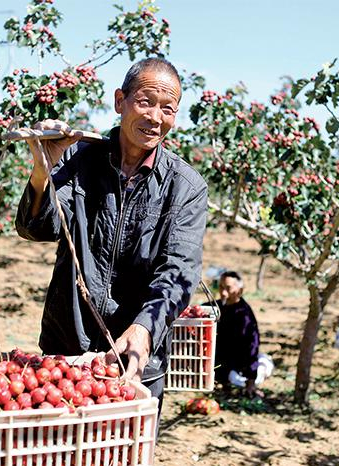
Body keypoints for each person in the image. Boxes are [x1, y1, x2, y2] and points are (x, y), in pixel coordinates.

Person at [15, 57, 208, 408]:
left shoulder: (186, 187)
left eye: (167, 108)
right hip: (67, 353)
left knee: (127, 441)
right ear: (120, 101)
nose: (155, 117)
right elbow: (37, 228)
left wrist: (145, 328)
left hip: (135, 361)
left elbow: (179, 271)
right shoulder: (78, 158)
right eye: (145, 102)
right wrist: (42, 170)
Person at [214, 270, 265, 398]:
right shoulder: (215, 307)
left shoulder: (245, 316)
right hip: (217, 363)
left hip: (237, 366)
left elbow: (252, 347)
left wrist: (250, 381)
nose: (223, 292)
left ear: (240, 290)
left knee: (236, 379)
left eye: (228, 288)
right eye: (221, 287)